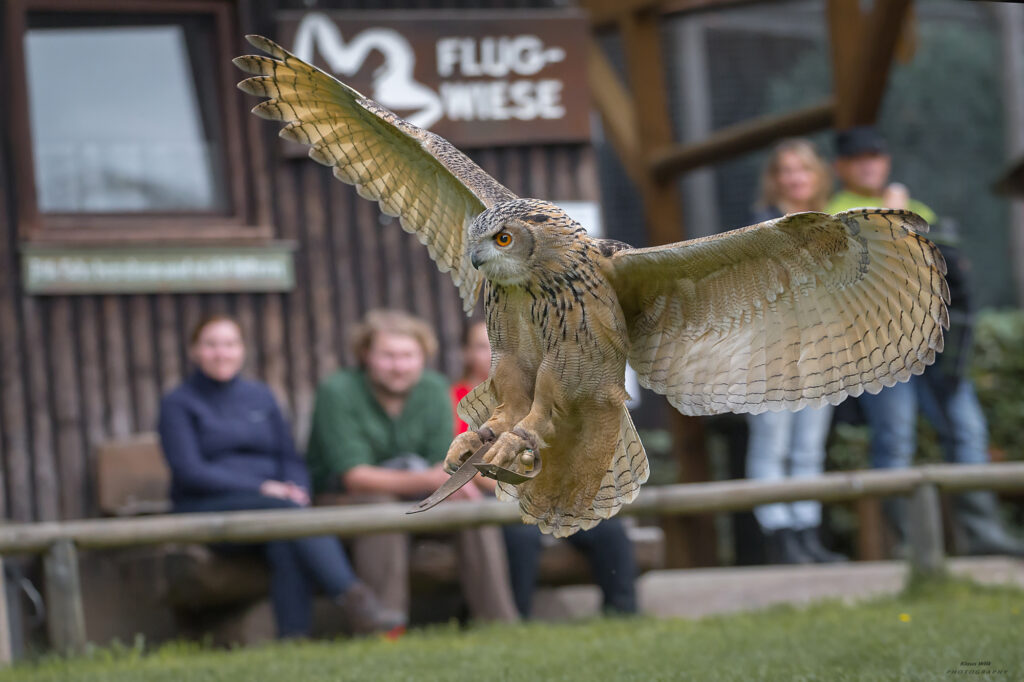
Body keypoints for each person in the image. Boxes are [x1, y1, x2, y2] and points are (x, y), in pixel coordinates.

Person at [826, 126, 1024, 557]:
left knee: (968, 433)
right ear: (840, 167)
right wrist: (894, 216)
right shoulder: (836, 212)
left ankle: (983, 537)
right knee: (895, 441)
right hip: (882, 348)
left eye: (876, 155)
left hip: (937, 347)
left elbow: (944, 266)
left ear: (887, 161)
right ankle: (909, 550)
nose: (869, 163)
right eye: (859, 158)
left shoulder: (918, 207)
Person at [158, 315, 404, 639]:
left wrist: (297, 488)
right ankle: (354, 599)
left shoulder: (261, 397)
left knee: (285, 537)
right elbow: (190, 471)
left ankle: (294, 638)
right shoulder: (179, 403)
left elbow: (289, 456)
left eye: (230, 344)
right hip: (205, 509)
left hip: (273, 506)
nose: (222, 353)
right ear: (194, 351)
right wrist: (262, 488)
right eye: (211, 344)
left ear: (242, 350)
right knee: (287, 516)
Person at [306, 309, 519, 622]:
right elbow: (355, 476)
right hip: (341, 503)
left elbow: (440, 464)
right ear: (366, 354)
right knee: (379, 504)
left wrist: (446, 483)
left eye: (408, 356)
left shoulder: (433, 389)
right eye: (388, 356)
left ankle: (498, 621)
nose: (399, 366)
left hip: (416, 496)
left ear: (423, 357)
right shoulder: (337, 391)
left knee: (470, 504)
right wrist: (434, 479)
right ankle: (384, 624)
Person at [453, 320, 639, 616]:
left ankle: (623, 613)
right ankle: (515, 618)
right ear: (465, 353)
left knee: (608, 530)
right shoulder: (457, 399)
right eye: (482, 346)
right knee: (520, 536)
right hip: (493, 497)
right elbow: (466, 465)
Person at [744, 139, 847, 564]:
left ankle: (807, 532)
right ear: (775, 179)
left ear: (816, 175)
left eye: (802, 169)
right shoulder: (758, 226)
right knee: (772, 444)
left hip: (822, 348)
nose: (794, 177)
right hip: (770, 351)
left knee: (809, 447)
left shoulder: (832, 222)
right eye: (785, 170)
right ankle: (780, 535)